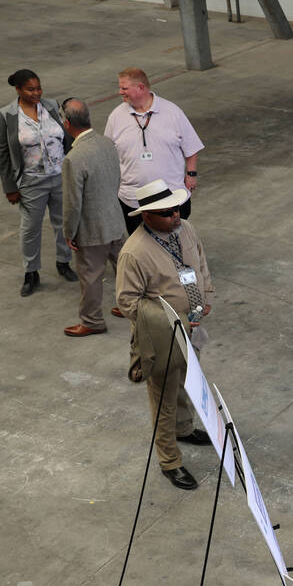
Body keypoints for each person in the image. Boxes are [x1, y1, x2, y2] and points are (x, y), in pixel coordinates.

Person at [115, 179, 214, 492]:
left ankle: (184, 428)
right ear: (146, 216)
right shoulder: (134, 253)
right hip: (163, 336)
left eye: (176, 208)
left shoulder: (185, 229)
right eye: (167, 212)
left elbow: (200, 261)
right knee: (163, 398)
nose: (176, 215)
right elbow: (127, 301)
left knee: (187, 381)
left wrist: (205, 295)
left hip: (193, 326)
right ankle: (169, 460)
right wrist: (175, 321)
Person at [0, 68, 76, 296]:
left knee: (63, 223)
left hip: (60, 176)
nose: (37, 93)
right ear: (18, 90)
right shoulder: (6, 115)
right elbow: (3, 153)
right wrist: (10, 187)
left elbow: (68, 137)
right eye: (31, 89)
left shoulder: (52, 106)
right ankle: (31, 272)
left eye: (39, 88)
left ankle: (64, 262)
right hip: (31, 182)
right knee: (30, 228)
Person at [60, 97, 126, 337]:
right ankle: (130, 306)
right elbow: (117, 179)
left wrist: (69, 233)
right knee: (125, 269)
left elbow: (72, 204)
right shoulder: (107, 144)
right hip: (115, 220)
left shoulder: (73, 159)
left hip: (91, 230)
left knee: (90, 277)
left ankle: (92, 321)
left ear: (67, 124)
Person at [104, 67, 203, 225]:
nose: (120, 92)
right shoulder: (116, 117)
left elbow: (191, 146)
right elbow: (107, 155)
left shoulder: (172, 112)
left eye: (124, 88)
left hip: (171, 198)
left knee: (176, 244)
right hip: (132, 201)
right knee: (140, 247)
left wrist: (191, 174)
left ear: (141, 88)